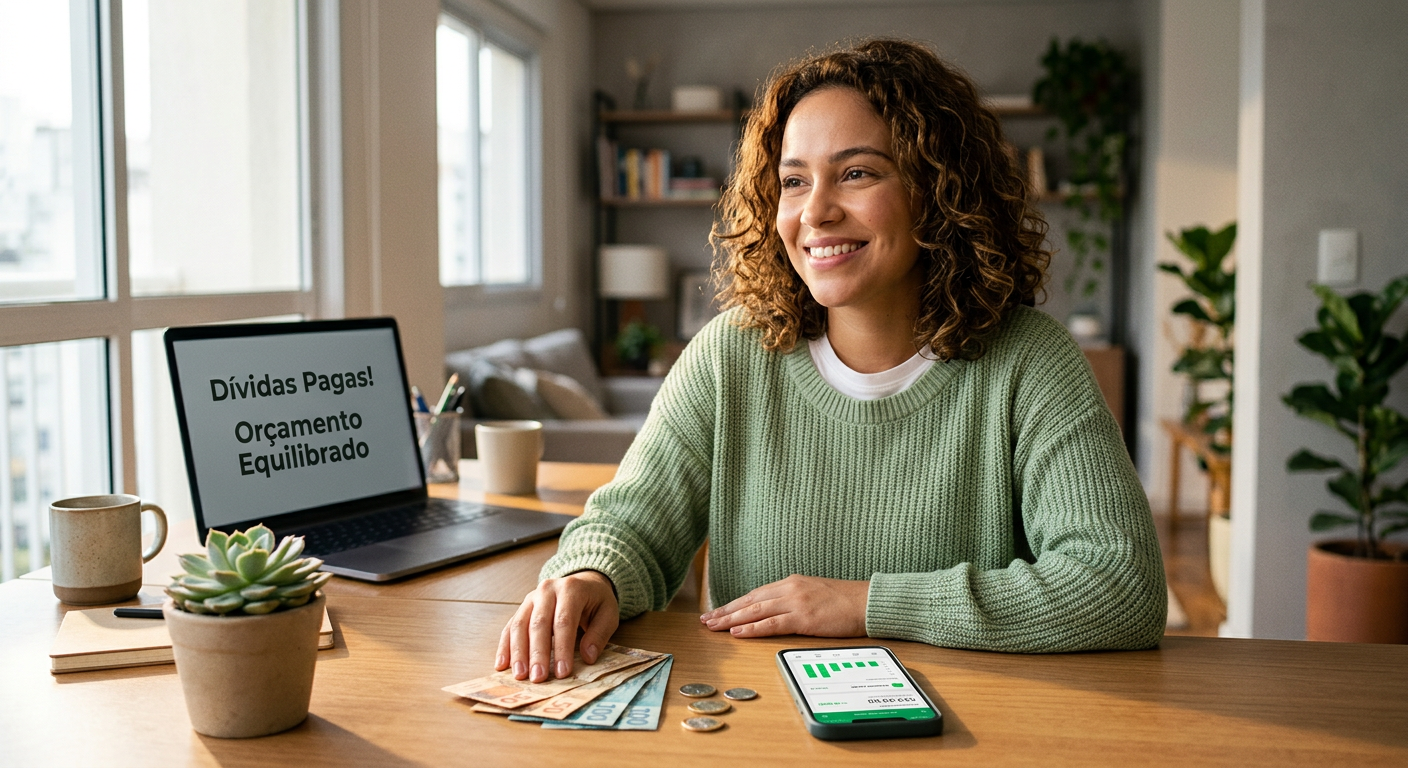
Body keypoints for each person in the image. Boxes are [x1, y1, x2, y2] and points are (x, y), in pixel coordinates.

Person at [496, 38, 1165, 684]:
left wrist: (864, 605)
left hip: (969, 732)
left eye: (857, 173)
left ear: (937, 190)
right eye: (793, 181)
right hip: (758, 726)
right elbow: (631, 525)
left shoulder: (1029, 361)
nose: (814, 211)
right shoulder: (732, 354)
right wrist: (591, 576)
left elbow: (1120, 586)